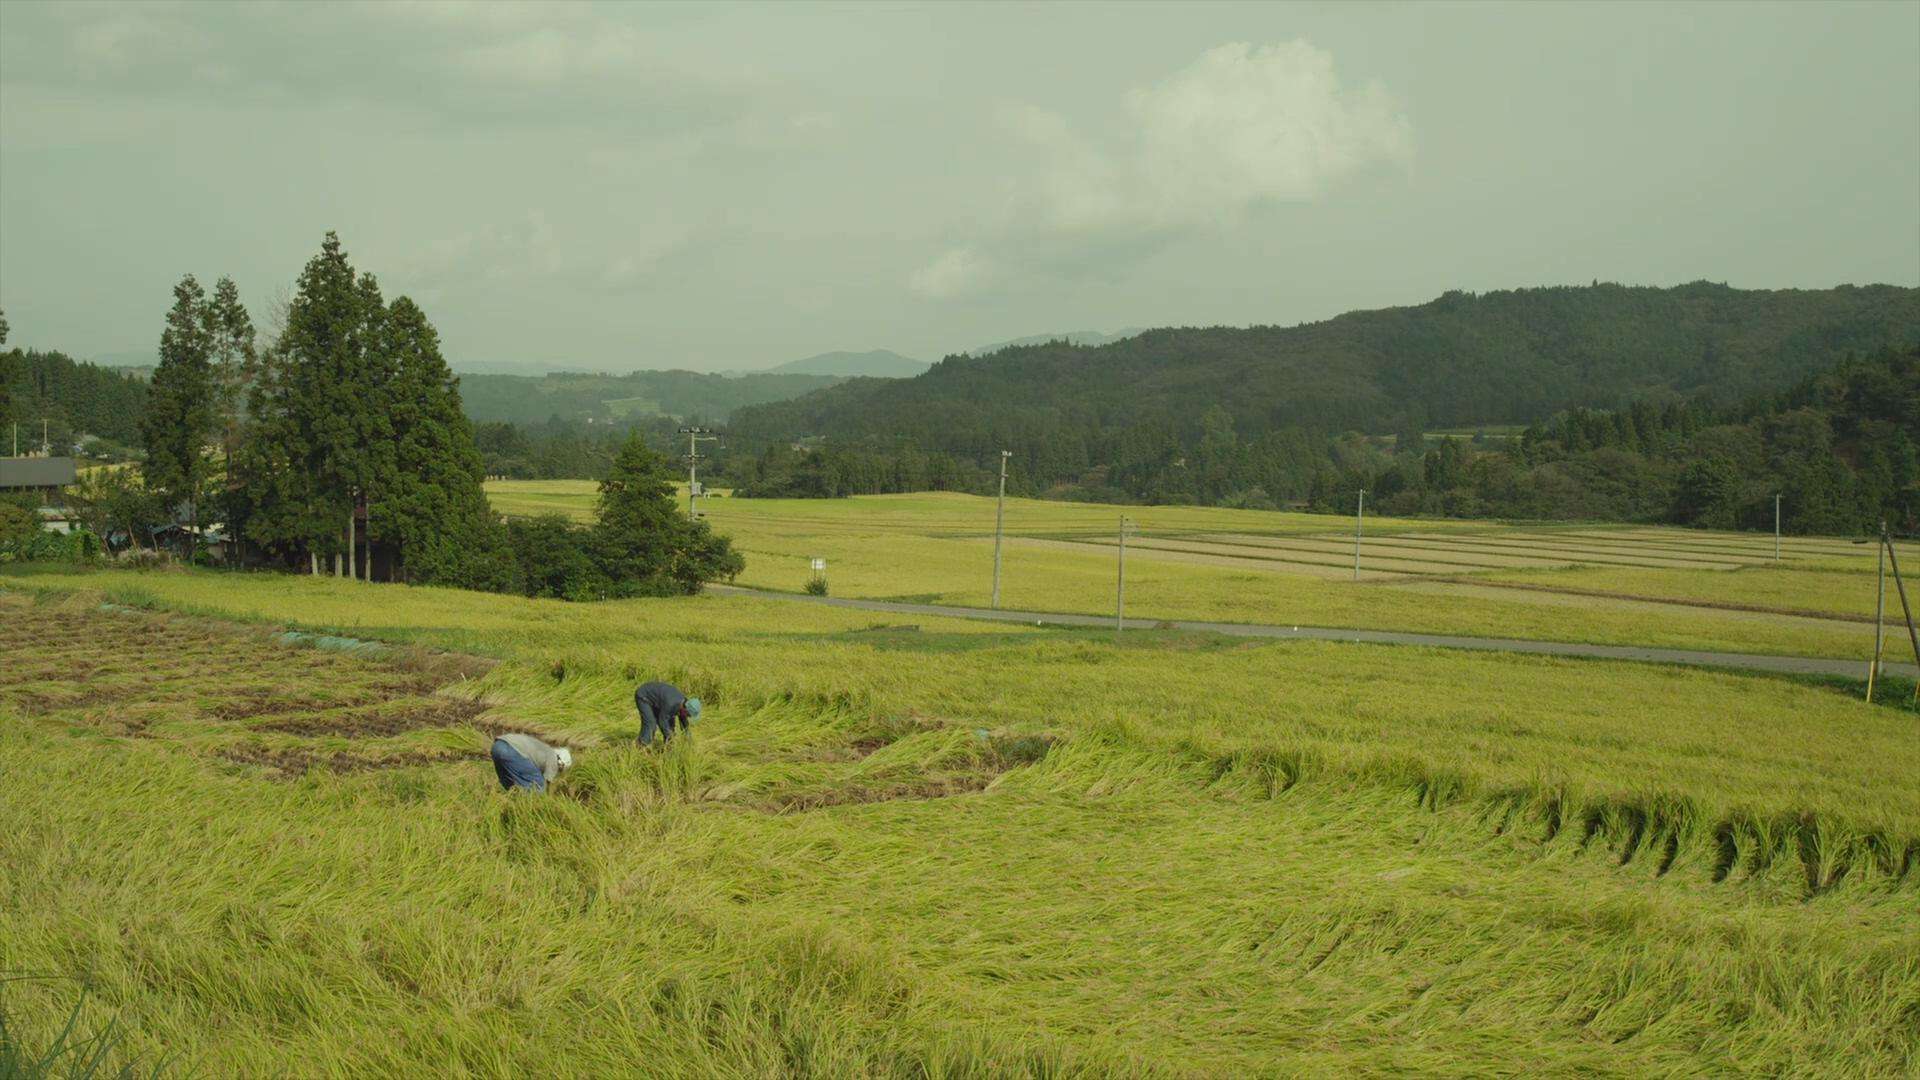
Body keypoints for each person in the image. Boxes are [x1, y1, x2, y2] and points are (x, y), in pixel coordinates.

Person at [490, 732, 572, 792]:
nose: (558, 771)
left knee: (510, 782)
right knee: (538, 784)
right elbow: (546, 783)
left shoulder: (545, 749)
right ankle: (530, 808)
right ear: (561, 763)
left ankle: (512, 801)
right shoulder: (554, 758)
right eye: (560, 770)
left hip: (497, 745)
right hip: (512, 751)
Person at [634, 680, 702, 747]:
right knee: (651, 724)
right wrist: (670, 736)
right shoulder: (671, 704)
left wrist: (688, 736)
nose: (688, 717)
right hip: (643, 696)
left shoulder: (684, 703)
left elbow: (683, 720)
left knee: (670, 727)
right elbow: (662, 721)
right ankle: (641, 746)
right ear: (685, 710)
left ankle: (668, 749)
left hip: (658, 700)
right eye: (688, 715)